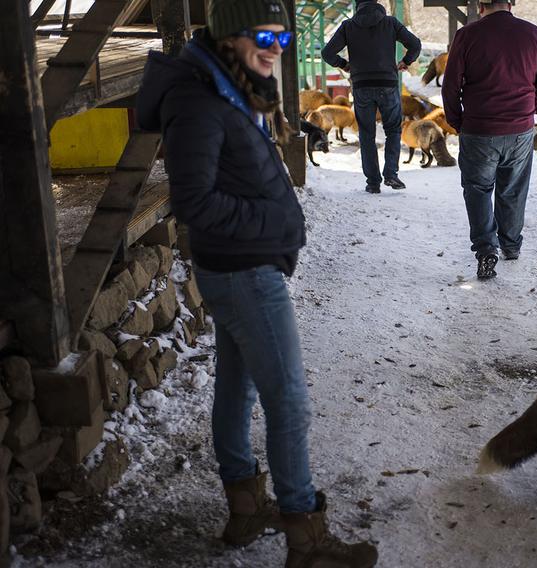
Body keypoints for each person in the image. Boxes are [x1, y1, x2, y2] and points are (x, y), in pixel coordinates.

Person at [136, 1, 377, 566]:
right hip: (243, 270)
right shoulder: (199, 102)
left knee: (237, 384)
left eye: (282, 39)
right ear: (227, 38)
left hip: (241, 265)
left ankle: (245, 506)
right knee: (289, 401)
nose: (274, 48)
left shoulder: (226, 86)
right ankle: (306, 536)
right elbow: (194, 202)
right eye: (263, 36)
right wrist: (276, 223)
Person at [441, 0, 537, 280]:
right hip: (519, 131)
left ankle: (485, 250)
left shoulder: (466, 35)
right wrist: (531, 109)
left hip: (479, 129)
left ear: (481, 5)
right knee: (513, 188)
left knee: (478, 189)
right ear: (512, 3)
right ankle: (511, 245)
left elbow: (451, 85)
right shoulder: (533, 34)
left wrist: (459, 122)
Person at [322, 0, 421, 194]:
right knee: (393, 129)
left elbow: (327, 53)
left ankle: (373, 182)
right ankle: (391, 173)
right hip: (388, 85)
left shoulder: (348, 26)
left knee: (366, 134)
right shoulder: (391, 23)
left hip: (362, 86)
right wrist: (406, 61)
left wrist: (344, 64)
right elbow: (415, 44)